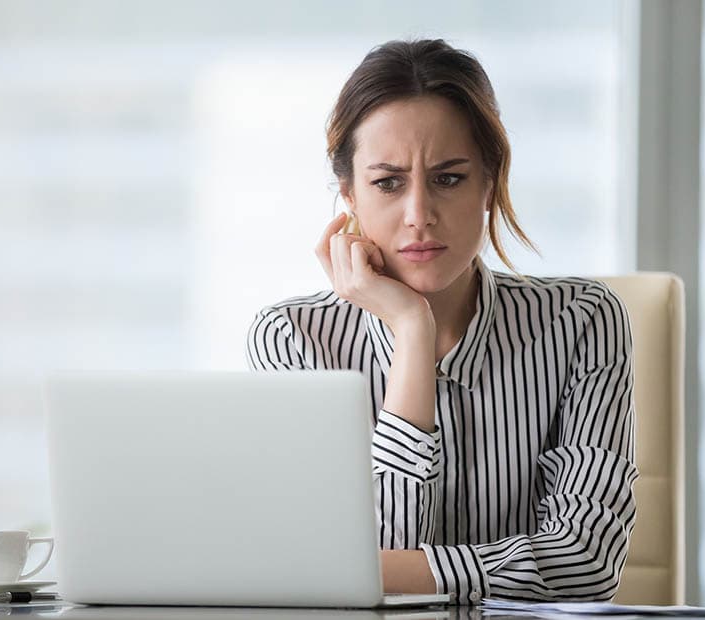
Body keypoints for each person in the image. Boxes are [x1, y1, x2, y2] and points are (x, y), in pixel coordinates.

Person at [246, 39, 638, 605]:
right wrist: (411, 332)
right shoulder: (294, 340)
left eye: (449, 178)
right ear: (349, 195)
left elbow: (585, 564)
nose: (419, 215)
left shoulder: (582, 322)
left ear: (489, 182)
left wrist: (378, 571)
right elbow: (366, 570)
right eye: (388, 183)